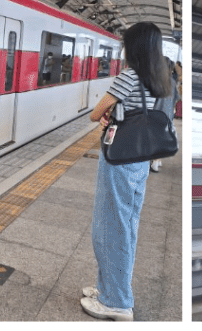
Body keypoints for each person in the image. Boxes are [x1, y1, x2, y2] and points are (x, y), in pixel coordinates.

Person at [83, 22, 172, 321]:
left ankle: (117, 302)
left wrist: (106, 114)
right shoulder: (159, 79)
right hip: (138, 161)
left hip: (119, 160)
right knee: (125, 226)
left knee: (110, 227)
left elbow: (96, 112)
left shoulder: (129, 77)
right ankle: (108, 289)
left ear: (133, 47)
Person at [150, 58, 178, 172]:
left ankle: (154, 162)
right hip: (167, 114)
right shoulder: (172, 82)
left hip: (155, 113)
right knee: (161, 138)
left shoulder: (154, 80)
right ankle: (158, 160)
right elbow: (175, 99)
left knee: (153, 138)